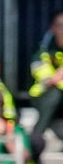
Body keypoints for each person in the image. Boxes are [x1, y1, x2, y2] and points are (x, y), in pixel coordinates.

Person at [27, 9, 63, 142]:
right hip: (44, 98)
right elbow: (50, 81)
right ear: (53, 29)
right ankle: (36, 136)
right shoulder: (42, 53)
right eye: (61, 26)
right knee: (55, 94)